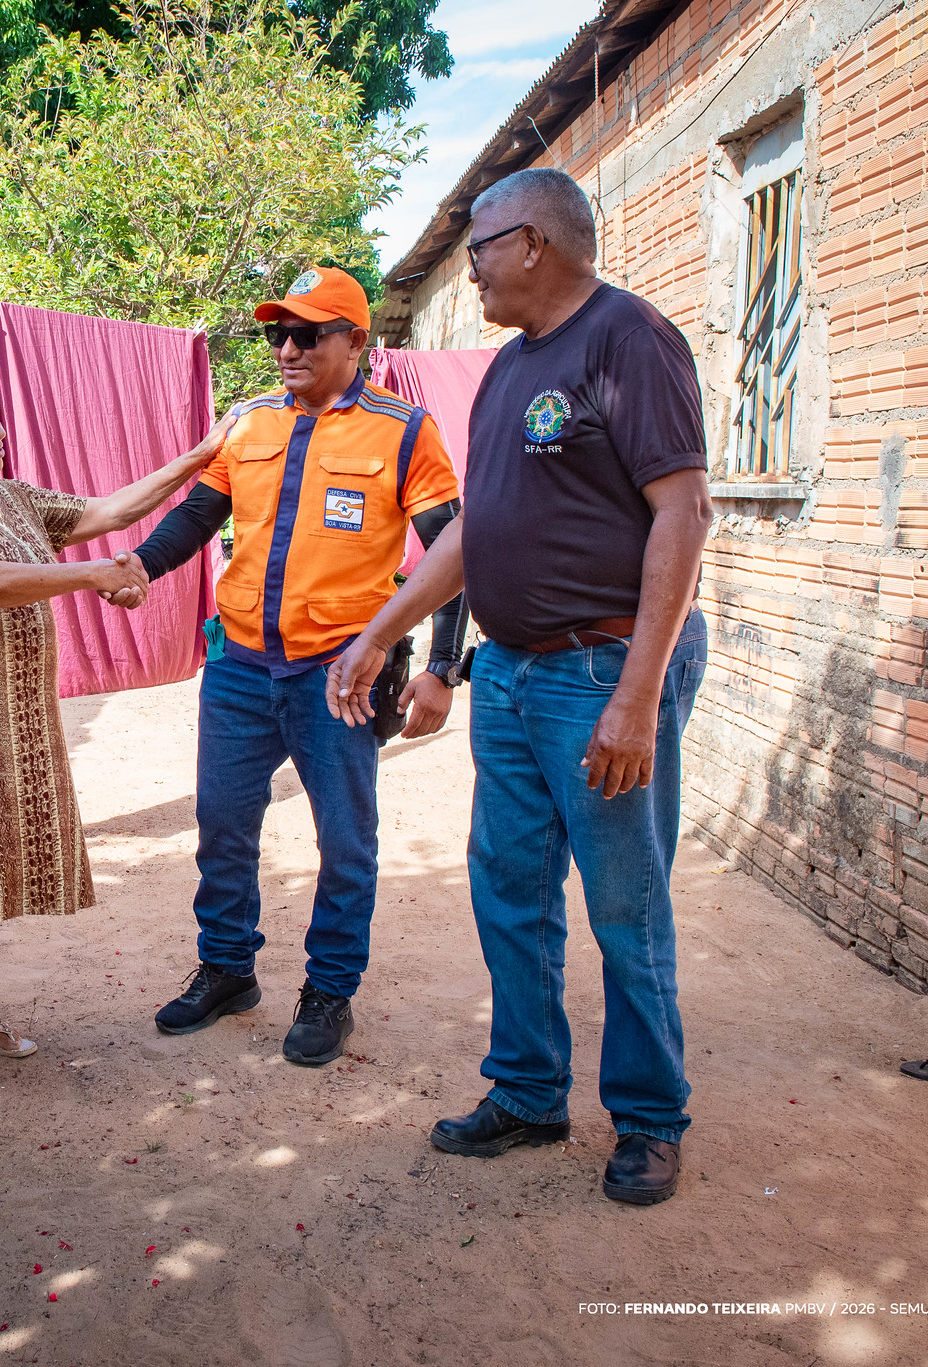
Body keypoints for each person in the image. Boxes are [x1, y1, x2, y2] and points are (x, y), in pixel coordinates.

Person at [327, 167, 713, 1205]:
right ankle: (529, 1090)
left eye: (480, 244)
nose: (472, 264)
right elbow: (472, 536)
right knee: (506, 888)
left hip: (602, 668)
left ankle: (646, 1116)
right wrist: (384, 635)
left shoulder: (630, 339)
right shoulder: (504, 374)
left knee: (625, 906)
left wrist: (634, 698)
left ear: (534, 242)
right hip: (507, 673)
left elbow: (681, 514)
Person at [123, 266, 464, 1067]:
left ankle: (329, 991)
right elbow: (198, 517)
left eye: (308, 334)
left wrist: (442, 665)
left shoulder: (404, 431)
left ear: (356, 342)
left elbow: (451, 550)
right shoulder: (249, 425)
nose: (287, 348)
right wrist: (139, 564)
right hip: (240, 664)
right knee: (223, 823)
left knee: (345, 839)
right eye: (279, 333)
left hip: (338, 675)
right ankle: (227, 967)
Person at [0, 369, 229, 1089]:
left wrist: (200, 455)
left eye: (0, 417)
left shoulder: (9, 496)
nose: (1, 432)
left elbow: (104, 510)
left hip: (4, 703)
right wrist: (94, 577)